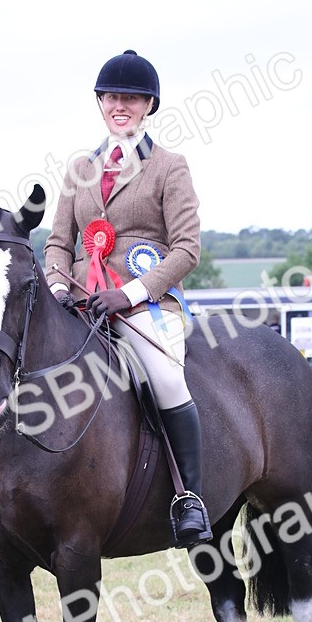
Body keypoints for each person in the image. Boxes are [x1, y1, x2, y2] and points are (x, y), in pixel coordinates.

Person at [44, 48, 212, 545]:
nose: (121, 106)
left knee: (166, 377)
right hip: (79, 301)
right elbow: (58, 243)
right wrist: (58, 286)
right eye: (112, 97)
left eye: (132, 99)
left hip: (144, 304)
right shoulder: (79, 168)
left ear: (149, 105)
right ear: (101, 103)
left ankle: (190, 499)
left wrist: (132, 292)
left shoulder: (169, 167)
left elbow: (187, 249)